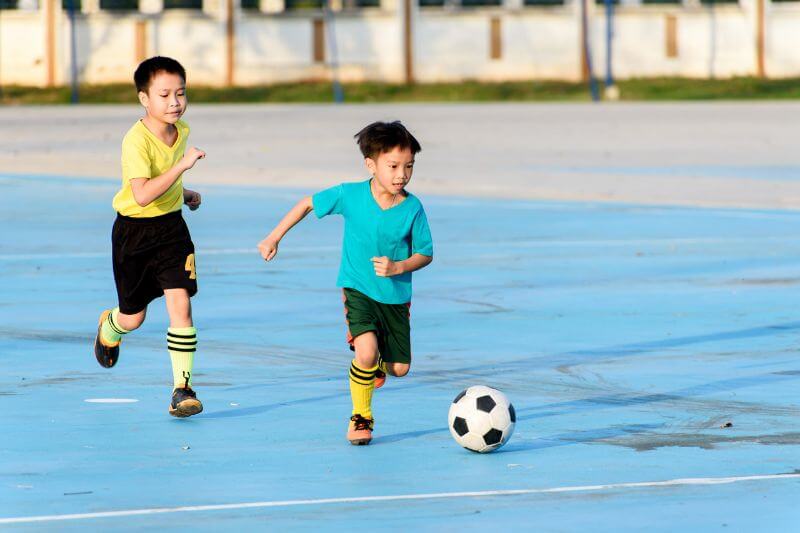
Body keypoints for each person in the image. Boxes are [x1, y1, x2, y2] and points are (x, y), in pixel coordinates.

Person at [258, 121, 434, 445]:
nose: (401, 175)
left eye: (409, 166)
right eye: (393, 166)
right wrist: (274, 237)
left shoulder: (413, 208)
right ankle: (361, 417)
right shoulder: (350, 195)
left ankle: (378, 362)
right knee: (364, 353)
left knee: (399, 369)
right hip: (357, 288)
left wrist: (400, 266)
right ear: (371, 164)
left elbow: (425, 254)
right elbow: (307, 203)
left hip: (395, 296)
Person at [93, 56, 206, 418]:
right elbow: (141, 194)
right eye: (164, 94)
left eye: (180, 93)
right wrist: (181, 167)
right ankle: (110, 326)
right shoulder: (135, 140)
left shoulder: (182, 130)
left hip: (172, 230)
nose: (174, 102)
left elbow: (165, 181)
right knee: (133, 318)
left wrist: (183, 192)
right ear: (144, 98)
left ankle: (182, 388)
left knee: (181, 304)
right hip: (134, 233)